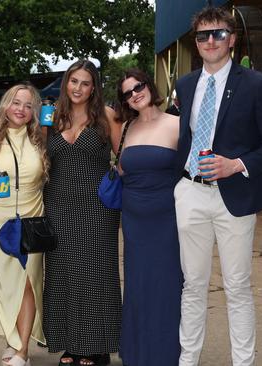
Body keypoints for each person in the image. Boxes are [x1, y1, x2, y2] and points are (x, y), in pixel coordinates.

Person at [174, 6, 262, 366]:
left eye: (218, 33)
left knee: (237, 287)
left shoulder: (255, 84)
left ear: (232, 39)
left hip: (234, 197)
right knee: (192, 285)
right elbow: (183, 136)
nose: (211, 41)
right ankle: (187, 360)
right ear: (197, 43)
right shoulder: (186, 84)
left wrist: (236, 164)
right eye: (203, 35)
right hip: (190, 193)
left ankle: (243, 363)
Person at [43, 59, 122, 366]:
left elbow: (125, 156)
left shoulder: (107, 116)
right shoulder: (51, 116)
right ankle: (69, 343)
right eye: (73, 81)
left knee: (94, 274)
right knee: (62, 274)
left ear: (94, 88)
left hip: (97, 209)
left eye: (85, 83)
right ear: (66, 83)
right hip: (58, 207)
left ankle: (95, 346)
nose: (78, 88)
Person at [115, 69, 183, 366]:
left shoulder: (178, 124)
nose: (134, 94)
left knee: (166, 286)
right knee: (138, 286)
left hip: (167, 219)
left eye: (138, 87)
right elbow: (121, 169)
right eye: (127, 93)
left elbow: (192, 169)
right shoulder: (127, 128)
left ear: (149, 86)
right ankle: (136, 354)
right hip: (133, 220)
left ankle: (166, 355)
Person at [0, 83, 48, 366]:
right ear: (6, 104)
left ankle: (22, 352)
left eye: (28, 105)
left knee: (28, 282)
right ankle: (13, 339)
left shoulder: (42, 137)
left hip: (31, 218)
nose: (21, 109)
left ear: (35, 111)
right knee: (5, 284)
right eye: (16, 103)